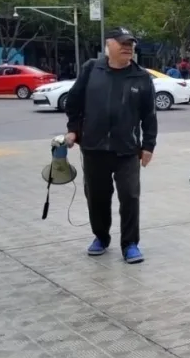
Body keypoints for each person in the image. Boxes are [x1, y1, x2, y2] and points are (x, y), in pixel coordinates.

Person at [64, 27, 157, 264]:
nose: (128, 47)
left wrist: (148, 146)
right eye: (123, 43)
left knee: (130, 196)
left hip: (127, 149)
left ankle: (130, 244)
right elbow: (73, 101)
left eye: (131, 43)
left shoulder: (142, 76)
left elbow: (149, 115)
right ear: (109, 44)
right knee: (97, 197)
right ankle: (101, 237)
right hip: (94, 148)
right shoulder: (91, 69)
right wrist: (73, 130)